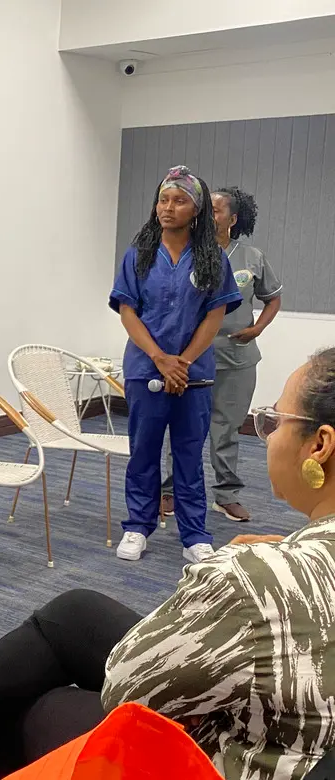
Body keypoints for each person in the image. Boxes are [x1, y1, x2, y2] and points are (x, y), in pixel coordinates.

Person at [0, 348, 335, 780]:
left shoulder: (261, 578)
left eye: (274, 420)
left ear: (320, 445)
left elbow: (129, 688)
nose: (266, 432)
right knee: (74, 613)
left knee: (24, 696)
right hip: (303, 738)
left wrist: (223, 572)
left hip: (239, 757)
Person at [109, 165, 241, 564]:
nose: (168, 207)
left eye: (179, 201)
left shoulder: (212, 259)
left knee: (188, 455)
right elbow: (128, 312)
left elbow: (214, 316)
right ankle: (137, 526)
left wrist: (182, 362)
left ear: (196, 210)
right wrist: (160, 358)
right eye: (163, 200)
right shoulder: (139, 255)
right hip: (145, 369)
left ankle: (195, 535)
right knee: (143, 452)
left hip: (193, 375)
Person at [161, 187, 283, 523]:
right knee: (183, 427)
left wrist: (258, 328)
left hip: (237, 359)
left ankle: (226, 495)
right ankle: (170, 491)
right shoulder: (185, 251)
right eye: (206, 209)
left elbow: (272, 298)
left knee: (226, 430)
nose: (208, 215)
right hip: (189, 358)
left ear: (233, 218)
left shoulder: (252, 257)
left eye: (216, 210)